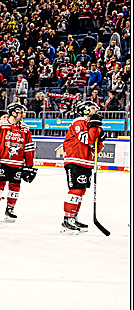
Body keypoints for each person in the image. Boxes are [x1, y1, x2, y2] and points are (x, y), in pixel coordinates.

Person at [61, 100, 105, 234]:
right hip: (75, 160)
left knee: (81, 191)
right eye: (92, 108)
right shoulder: (78, 122)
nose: (96, 111)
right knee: (75, 190)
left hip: (86, 162)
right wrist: (95, 127)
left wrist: (100, 138)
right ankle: (67, 220)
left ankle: (73, 216)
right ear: (85, 111)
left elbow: (96, 148)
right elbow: (87, 139)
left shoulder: (93, 125)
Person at [0, 102, 36, 222]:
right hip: (3, 162)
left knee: (15, 187)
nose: (22, 115)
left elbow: (29, 148)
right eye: (20, 112)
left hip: (18, 163)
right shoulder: (2, 126)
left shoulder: (25, 128)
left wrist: (29, 166)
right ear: (13, 112)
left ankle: (10, 209)